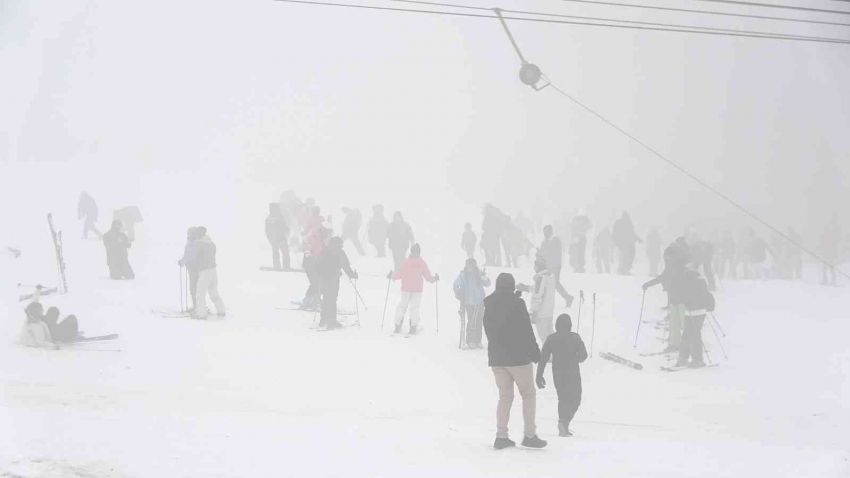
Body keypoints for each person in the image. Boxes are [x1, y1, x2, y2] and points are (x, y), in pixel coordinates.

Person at [483, 273, 547, 450]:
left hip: (497, 359)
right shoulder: (517, 304)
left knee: (505, 397)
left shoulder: (489, 304)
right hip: (518, 358)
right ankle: (529, 435)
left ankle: (501, 436)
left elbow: (492, 328)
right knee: (528, 394)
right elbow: (525, 329)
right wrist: (535, 351)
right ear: (512, 287)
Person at [536, 313, 588, 437]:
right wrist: (576, 358)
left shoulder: (551, 338)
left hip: (557, 372)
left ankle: (563, 424)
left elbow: (543, 358)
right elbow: (583, 356)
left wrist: (539, 375)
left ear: (556, 325)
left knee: (563, 398)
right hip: (573, 372)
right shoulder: (575, 337)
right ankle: (564, 422)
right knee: (576, 399)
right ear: (570, 325)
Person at [643, 241, 689, 351]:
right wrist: (648, 284)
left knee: (685, 323)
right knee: (674, 324)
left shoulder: (682, 268)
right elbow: (662, 277)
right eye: (666, 258)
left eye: (668, 257)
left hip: (683, 300)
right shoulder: (670, 267)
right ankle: (674, 344)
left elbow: (688, 282)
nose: (666, 259)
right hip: (673, 299)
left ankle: (689, 344)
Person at [389, 244, 438, 335]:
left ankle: (397, 325)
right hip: (417, 290)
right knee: (414, 308)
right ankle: (413, 327)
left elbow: (400, 274)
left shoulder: (405, 262)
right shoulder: (422, 263)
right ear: (419, 252)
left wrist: (392, 276)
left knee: (402, 306)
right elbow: (428, 277)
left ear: (411, 252)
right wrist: (434, 279)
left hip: (406, 288)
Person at [317, 237, 358, 329]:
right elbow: (346, 266)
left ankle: (323, 319)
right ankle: (331, 321)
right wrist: (352, 275)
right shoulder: (340, 252)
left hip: (323, 278)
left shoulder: (324, 251)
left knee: (326, 298)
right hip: (333, 279)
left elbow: (318, 264)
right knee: (332, 299)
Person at [675, 266, 712, 368]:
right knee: (695, 334)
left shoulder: (685, 282)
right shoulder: (702, 282)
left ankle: (685, 359)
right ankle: (697, 359)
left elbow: (680, 297)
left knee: (687, 335)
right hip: (700, 312)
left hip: (691, 312)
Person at [453, 258, 490, 348]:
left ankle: (478, 340)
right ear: (466, 265)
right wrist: (458, 292)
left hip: (480, 302)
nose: (470, 267)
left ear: (475, 266)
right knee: (471, 320)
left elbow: (488, 284)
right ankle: (470, 340)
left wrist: (484, 277)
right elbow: (455, 284)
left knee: (479, 321)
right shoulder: (463, 275)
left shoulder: (479, 273)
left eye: (472, 266)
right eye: (469, 265)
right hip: (469, 302)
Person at [193, 227, 226, 320]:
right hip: (213, 270)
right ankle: (221, 311)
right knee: (213, 292)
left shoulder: (198, 244)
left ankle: (201, 314)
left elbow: (195, 257)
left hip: (204, 271)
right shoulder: (212, 244)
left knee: (200, 293)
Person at [538, 225, 574, 308]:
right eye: (544, 232)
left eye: (546, 232)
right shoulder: (545, 242)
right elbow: (542, 253)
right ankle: (567, 297)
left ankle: (567, 297)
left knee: (553, 283)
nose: (545, 233)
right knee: (550, 283)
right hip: (547, 265)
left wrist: (554, 263)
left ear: (550, 231)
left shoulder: (555, 240)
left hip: (555, 265)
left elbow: (557, 253)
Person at [300, 207, 327, 309]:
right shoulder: (313, 236)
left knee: (319, 281)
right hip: (310, 263)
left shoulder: (322, 235)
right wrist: (311, 257)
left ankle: (316, 299)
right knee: (315, 282)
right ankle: (306, 302)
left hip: (317, 262)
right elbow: (307, 249)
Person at [529, 258, 556, 347]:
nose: (534, 268)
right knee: (550, 335)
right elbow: (543, 290)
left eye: (535, 266)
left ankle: (549, 355)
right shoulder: (550, 277)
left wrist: (534, 311)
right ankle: (555, 353)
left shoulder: (540, 278)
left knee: (543, 336)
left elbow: (538, 294)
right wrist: (527, 288)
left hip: (541, 312)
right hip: (549, 311)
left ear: (538, 267)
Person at [178, 227, 201, 311]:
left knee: (196, 288)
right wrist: (182, 262)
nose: (188, 235)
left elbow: (194, 256)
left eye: (190, 233)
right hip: (191, 269)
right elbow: (186, 256)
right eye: (188, 233)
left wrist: (185, 262)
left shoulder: (197, 244)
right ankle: (196, 305)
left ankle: (199, 306)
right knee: (193, 288)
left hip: (196, 269)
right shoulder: (188, 244)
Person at [266, 203, 291, 270]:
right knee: (285, 253)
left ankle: (277, 266)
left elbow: (267, 230)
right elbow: (284, 227)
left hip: (273, 240)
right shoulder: (280, 217)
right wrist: (287, 230)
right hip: (281, 238)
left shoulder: (268, 219)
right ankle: (286, 266)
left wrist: (269, 239)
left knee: (275, 253)